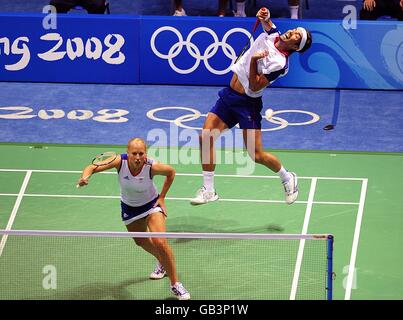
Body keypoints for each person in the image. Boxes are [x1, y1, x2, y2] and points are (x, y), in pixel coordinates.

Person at [190, 7, 312, 206]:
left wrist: (254, 60)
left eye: (297, 36)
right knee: (205, 137)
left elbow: (255, 85)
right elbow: (267, 22)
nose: (292, 32)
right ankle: (209, 190)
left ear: (296, 46)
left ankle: (287, 176)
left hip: (248, 104)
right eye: (295, 30)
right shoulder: (274, 35)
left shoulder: (280, 63)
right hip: (229, 96)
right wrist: (264, 14)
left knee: (256, 155)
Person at [77, 138, 190, 300]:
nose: (138, 157)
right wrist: (85, 177)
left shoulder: (152, 166)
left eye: (141, 153)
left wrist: (162, 198)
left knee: (160, 243)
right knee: (140, 241)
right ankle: (162, 262)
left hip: (151, 205)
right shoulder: (119, 162)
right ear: (127, 153)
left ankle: (175, 284)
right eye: (134, 153)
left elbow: (171, 172)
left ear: (146, 154)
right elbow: (92, 167)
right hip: (130, 209)